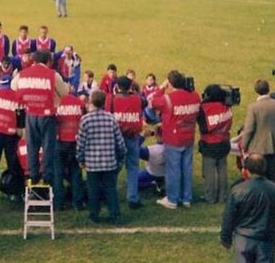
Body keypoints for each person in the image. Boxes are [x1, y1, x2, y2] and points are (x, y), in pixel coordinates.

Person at [11, 50, 69, 205]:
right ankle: (47, 175)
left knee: (32, 145)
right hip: (47, 114)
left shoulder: (23, 74)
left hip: (30, 114)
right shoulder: (52, 75)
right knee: (48, 145)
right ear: (48, 61)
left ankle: (33, 173)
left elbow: (13, 86)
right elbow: (64, 92)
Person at [221, 154, 275, 262]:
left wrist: (225, 238)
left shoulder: (237, 190)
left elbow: (229, 216)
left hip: (243, 239)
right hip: (266, 240)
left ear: (246, 169)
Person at [148, 70, 201, 209]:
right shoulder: (195, 96)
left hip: (173, 138)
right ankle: (186, 198)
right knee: (187, 168)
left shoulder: (168, 98)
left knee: (173, 169)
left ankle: (172, 199)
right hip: (189, 136)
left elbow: (152, 102)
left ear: (170, 83)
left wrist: (161, 88)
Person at [77, 91, 126, 224]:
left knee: (93, 190)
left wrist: (80, 159)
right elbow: (119, 142)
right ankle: (115, 214)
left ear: (91, 102)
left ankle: (94, 214)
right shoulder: (111, 118)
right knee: (111, 189)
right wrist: (121, 157)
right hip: (109, 161)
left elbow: (81, 143)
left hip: (92, 163)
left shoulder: (85, 120)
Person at [240, 80, 275, 183]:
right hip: (274, 144)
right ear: (268, 89)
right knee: (272, 171)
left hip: (257, 146)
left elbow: (249, 129)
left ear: (256, 90)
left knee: (258, 172)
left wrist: (244, 145)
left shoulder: (254, 107)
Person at [108, 76, 146, 209]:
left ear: (117, 86)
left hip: (116, 137)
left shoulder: (112, 99)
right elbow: (144, 103)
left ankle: (109, 195)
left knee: (113, 167)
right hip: (132, 136)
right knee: (133, 167)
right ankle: (133, 198)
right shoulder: (138, 99)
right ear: (130, 87)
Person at [197, 85, 233, 204]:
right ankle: (223, 196)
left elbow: (204, 129)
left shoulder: (204, 108)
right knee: (222, 170)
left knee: (209, 172)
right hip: (224, 141)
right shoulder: (227, 106)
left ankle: (210, 197)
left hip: (210, 144)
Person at [56, 93, 86, 211]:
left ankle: (59, 203)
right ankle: (77, 202)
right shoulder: (79, 103)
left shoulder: (56, 102)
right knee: (76, 172)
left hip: (60, 141)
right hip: (75, 141)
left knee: (58, 173)